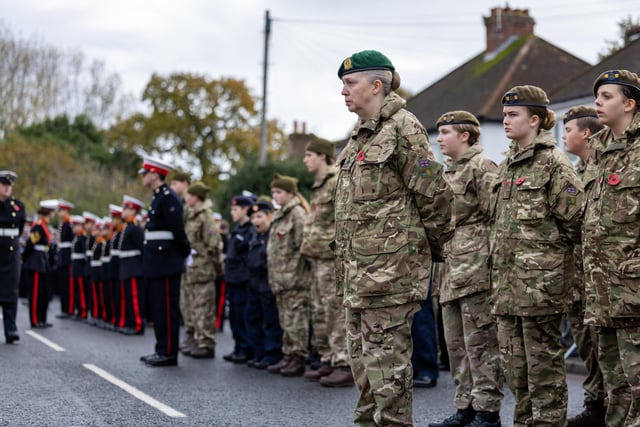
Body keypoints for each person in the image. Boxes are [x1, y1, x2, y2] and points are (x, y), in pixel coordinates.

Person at [334, 50, 454, 426]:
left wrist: (422, 257)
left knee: (388, 376)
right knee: (366, 373)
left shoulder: (405, 127)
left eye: (350, 83)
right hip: (359, 276)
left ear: (376, 85)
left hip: (390, 276)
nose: (343, 91)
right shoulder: (359, 137)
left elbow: (435, 195)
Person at [490, 85, 584, 426]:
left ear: (535, 120)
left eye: (513, 115)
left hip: (540, 289)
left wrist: (555, 271)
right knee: (516, 371)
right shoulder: (508, 165)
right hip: (507, 287)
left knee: (543, 372)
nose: (505, 120)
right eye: (503, 115)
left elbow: (577, 221)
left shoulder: (554, 164)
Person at [429, 111, 502, 427]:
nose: (440, 137)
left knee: (481, 345)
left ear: (466, 136)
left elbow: (497, 216)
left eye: (446, 132)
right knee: (456, 346)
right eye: (440, 132)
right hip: (451, 270)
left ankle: (487, 411)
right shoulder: (447, 173)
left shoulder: (481, 168)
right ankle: (465, 407)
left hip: (475, 271)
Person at [582, 70, 640, 426]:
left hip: (633, 286)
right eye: (597, 96)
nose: (597, 103)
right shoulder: (601, 149)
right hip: (601, 287)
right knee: (614, 384)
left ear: (629, 103)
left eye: (606, 97)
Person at [561, 106, 607, 427]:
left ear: (586, 133)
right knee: (586, 345)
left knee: (605, 349)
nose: (563, 136)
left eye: (568, 129)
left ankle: (606, 406)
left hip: (599, 275)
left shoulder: (602, 166)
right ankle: (594, 404)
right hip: (577, 276)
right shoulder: (574, 172)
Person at [301, 135, 353, 387]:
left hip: (330, 257)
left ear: (322, 156)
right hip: (317, 257)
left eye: (309, 155)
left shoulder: (334, 182)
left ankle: (343, 362)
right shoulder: (319, 184)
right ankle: (329, 358)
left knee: (335, 311)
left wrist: (336, 250)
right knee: (320, 311)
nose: (305, 160)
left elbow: (344, 219)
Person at [139, 156, 190, 367]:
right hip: (157, 261)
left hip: (167, 261)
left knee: (167, 310)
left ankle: (169, 352)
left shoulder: (169, 198)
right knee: (159, 308)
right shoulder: (159, 197)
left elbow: (178, 231)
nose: (143, 177)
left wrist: (183, 253)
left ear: (154, 174)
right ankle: (161, 348)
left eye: (145, 173)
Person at [266, 174, 310, 377]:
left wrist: (296, 270)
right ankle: (289, 354)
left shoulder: (297, 214)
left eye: (279, 192)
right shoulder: (280, 215)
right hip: (281, 278)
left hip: (294, 278)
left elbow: (304, 246)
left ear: (290, 193)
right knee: (286, 320)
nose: (275, 196)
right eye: (273, 192)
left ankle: (298, 357)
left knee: (296, 319)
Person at [180, 181, 222, 359]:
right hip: (191, 269)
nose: (186, 198)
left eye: (189, 195)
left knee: (204, 307)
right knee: (191, 306)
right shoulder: (190, 215)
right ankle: (196, 337)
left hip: (203, 269)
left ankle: (206, 343)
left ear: (196, 197)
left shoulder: (206, 216)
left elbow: (214, 244)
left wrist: (214, 265)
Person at [246, 199, 283, 369]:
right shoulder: (255, 235)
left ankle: (272, 354)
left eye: (259, 217)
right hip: (255, 284)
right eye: (253, 218)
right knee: (254, 319)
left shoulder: (273, 236)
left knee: (270, 322)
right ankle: (259, 353)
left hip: (268, 283)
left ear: (269, 216)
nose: (256, 221)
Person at [222, 194, 255, 363]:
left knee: (244, 317)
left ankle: (246, 348)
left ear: (245, 210)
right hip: (233, 279)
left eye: (235, 209)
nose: (232, 212)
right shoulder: (238, 230)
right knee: (234, 317)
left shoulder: (250, 230)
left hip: (243, 280)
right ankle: (239, 347)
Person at [23, 199, 59, 328]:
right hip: (36, 262)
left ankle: (42, 318)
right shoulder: (38, 227)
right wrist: (25, 259)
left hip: (43, 261)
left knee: (44, 293)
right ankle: (34, 319)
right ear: (48, 212)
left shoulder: (45, 227)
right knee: (36, 293)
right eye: (53, 212)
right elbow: (30, 244)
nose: (54, 214)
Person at [0, 171, 26, 343]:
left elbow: (20, 228)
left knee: (10, 291)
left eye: (9, 185)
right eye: (4, 185)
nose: (7, 188)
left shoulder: (17, 206)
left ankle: (11, 329)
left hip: (11, 253)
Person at [118, 195, 145, 336]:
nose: (123, 211)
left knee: (134, 298)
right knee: (128, 297)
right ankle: (130, 322)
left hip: (134, 267)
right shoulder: (128, 226)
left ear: (133, 211)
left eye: (126, 208)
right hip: (127, 267)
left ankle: (138, 324)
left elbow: (142, 249)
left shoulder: (135, 228)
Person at [55, 199, 74, 319]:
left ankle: (68, 309)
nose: (59, 213)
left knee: (68, 286)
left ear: (66, 211)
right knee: (63, 285)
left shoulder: (69, 224)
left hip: (67, 257)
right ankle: (64, 308)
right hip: (62, 257)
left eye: (61, 210)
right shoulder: (63, 224)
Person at [70, 215, 88, 320]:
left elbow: (84, 253)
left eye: (76, 226)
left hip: (80, 267)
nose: (74, 228)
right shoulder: (76, 238)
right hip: (75, 266)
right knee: (77, 290)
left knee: (81, 291)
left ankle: (83, 311)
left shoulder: (82, 238)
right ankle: (78, 310)